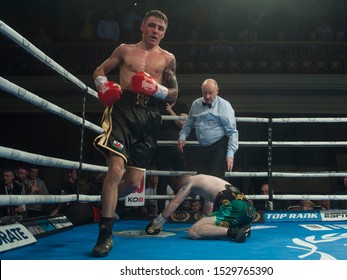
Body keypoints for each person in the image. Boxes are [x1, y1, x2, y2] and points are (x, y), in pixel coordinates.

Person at [91, 10, 178, 257]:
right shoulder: (124, 50)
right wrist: (103, 85)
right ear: (143, 26)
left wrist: (157, 89)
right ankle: (105, 234)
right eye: (152, 26)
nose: (155, 31)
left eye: (160, 29)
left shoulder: (168, 58)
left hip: (150, 118)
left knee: (131, 182)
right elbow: (99, 71)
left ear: (164, 33)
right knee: (115, 169)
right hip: (122, 111)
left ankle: (104, 203)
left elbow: (173, 93)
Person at [145, 174, 255, 243]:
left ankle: (234, 232)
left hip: (233, 207)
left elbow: (175, 203)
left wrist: (157, 223)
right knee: (206, 227)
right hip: (248, 211)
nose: (187, 196)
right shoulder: (208, 182)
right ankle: (242, 227)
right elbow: (208, 208)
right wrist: (204, 223)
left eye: (183, 190)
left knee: (193, 232)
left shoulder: (191, 180)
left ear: (183, 183)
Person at [178, 78, 238, 178]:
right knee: (201, 180)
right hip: (203, 148)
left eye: (210, 93)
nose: (207, 96)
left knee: (215, 180)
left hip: (219, 147)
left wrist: (230, 154)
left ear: (217, 91)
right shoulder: (196, 104)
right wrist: (182, 136)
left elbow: (232, 132)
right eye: (204, 93)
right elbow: (188, 123)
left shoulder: (224, 106)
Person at [153, 93, 189, 213]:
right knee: (162, 179)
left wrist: (170, 112)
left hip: (176, 146)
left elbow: (183, 124)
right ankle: (160, 213)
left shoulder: (182, 106)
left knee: (184, 177)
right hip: (161, 146)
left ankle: (186, 208)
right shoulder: (158, 106)